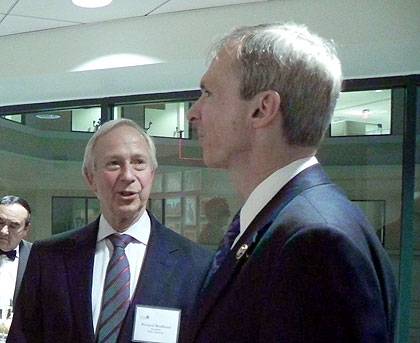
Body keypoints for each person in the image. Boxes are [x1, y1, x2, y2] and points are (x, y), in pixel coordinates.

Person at [186, 23, 397, 342]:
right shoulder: (284, 220)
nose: (193, 112)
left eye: (208, 93)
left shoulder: (315, 242)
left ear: (261, 109)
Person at [8, 119, 212, 342]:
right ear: (90, 178)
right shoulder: (49, 257)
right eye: (114, 163)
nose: (128, 175)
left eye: (139, 163)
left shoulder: (196, 265)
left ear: (152, 174)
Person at [0, 196, 32, 309]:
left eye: (13, 226)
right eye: (0, 222)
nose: (3, 231)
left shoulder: (37, 257)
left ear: (26, 230)